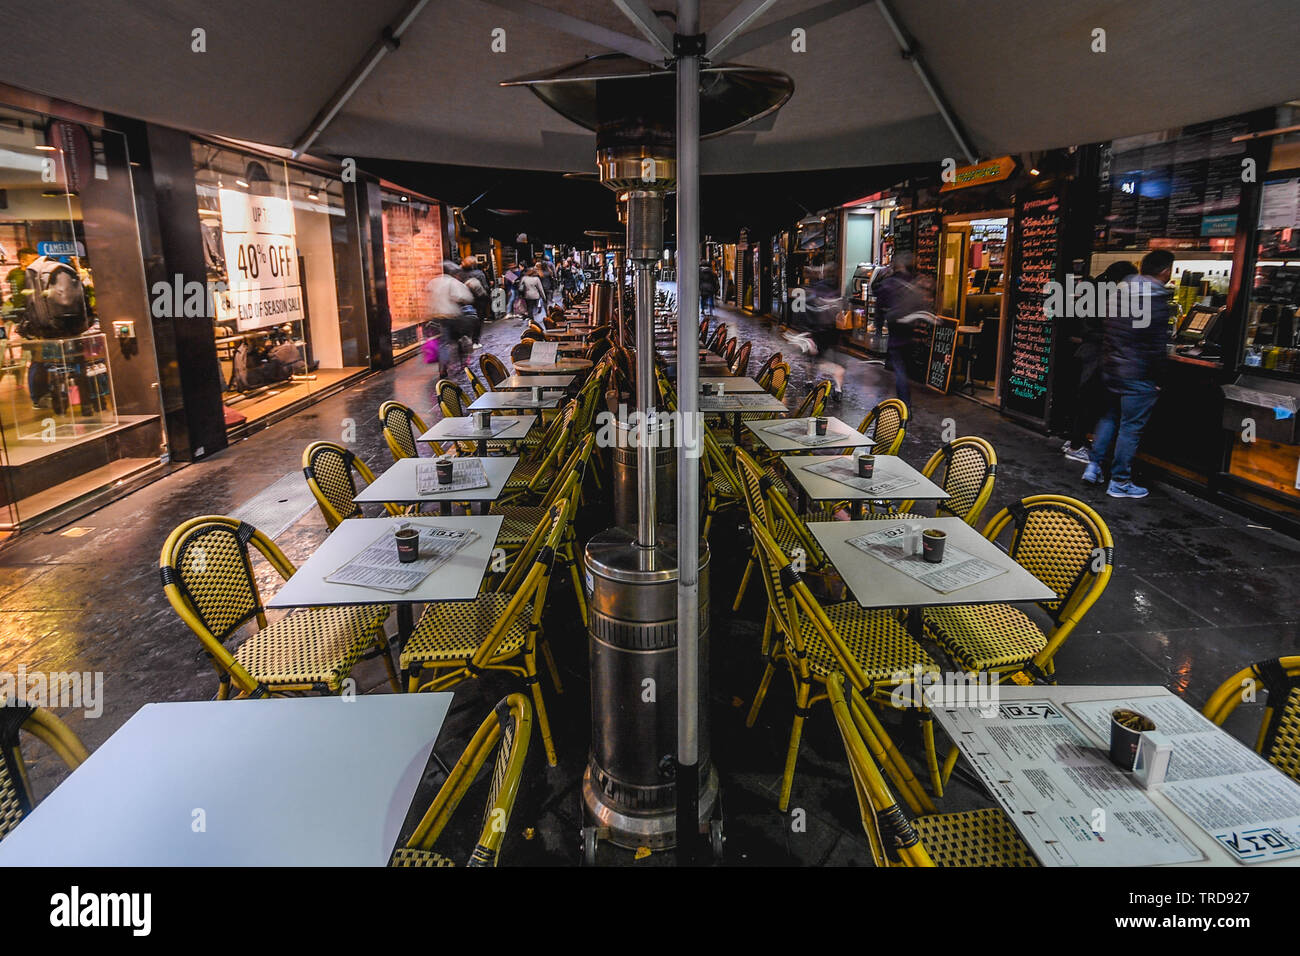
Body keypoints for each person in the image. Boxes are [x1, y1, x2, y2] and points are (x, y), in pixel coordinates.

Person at [1083, 249, 1174, 499]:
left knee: (1109, 417)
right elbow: (1156, 346)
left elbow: (1108, 329)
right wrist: (1159, 379)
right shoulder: (1155, 298)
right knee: (1130, 428)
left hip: (1112, 368)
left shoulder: (1119, 292)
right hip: (1138, 373)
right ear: (1166, 271)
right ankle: (1120, 482)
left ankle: (1093, 467)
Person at [1062, 260, 1137, 462]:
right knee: (1088, 402)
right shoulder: (1109, 295)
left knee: (1081, 400)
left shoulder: (1094, 289)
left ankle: (1073, 441)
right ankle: (1077, 445)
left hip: (1085, 352)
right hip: (1095, 355)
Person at [874, 251, 929, 408]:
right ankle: (905, 400)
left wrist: (878, 331)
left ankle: (904, 404)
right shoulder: (916, 282)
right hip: (912, 329)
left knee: (899, 368)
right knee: (904, 366)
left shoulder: (889, 283)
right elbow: (922, 304)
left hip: (896, 329)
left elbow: (879, 308)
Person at [425, 262, 474, 377]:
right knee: (458, 339)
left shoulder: (433, 282)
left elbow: (429, 297)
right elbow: (465, 297)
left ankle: (443, 367)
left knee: (443, 342)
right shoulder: (453, 282)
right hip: (452, 317)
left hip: (437, 317)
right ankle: (462, 361)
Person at [460, 256, 490, 346]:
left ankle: (466, 339)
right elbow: (485, 287)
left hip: (464, 300)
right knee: (478, 320)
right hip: (478, 301)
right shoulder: (479, 274)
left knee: (466, 319)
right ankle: (475, 341)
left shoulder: (461, 274)